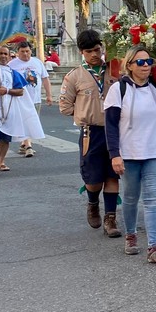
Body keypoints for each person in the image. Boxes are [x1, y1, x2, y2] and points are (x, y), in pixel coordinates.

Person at [104, 45, 156, 263]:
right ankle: (130, 234)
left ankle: (154, 246)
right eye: (140, 62)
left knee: (153, 199)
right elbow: (110, 125)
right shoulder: (118, 89)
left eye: (149, 61)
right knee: (130, 197)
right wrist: (114, 155)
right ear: (129, 65)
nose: (146, 65)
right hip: (129, 153)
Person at [58, 29, 121, 237]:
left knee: (113, 174)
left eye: (97, 49)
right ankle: (93, 202)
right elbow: (65, 107)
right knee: (94, 179)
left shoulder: (114, 71)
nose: (94, 54)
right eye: (89, 51)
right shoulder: (74, 76)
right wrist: (84, 112)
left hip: (114, 130)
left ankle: (110, 218)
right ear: (81, 53)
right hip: (90, 132)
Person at [0, 44, 45, 175]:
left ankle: (1, 162)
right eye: (0, 53)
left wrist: (6, 90)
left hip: (7, 109)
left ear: (9, 56)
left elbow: (20, 91)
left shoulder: (13, 72)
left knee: (5, 138)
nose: (3, 56)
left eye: (6, 54)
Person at [8, 41, 52, 157]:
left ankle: (24, 143)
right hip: (20, 99)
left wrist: (49, 95)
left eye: (27, 51)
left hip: (36, 99)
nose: (25, 54)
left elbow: (45, 79)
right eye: (22, 52)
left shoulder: (37, 62)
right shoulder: (12, 65)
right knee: (24, 123)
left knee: (32, 123)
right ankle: (28, 146)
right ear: (17, 52)